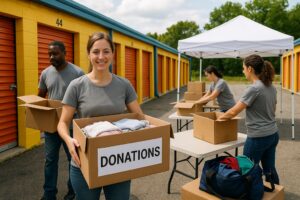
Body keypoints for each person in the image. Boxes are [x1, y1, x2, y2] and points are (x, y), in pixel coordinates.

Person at [57, 32, 143, 200]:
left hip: (118, 159)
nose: (101, 56)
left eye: (106, 51)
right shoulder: (77, 86)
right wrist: (69, 141)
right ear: (89, 55)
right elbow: (62, 122)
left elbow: (140, 117)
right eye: (96, 52)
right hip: (85, 160)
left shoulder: (124, 85)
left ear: (112, 54)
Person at [218, 54, 279, 184]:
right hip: (272, 134)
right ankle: (276, 193)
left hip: (258, 137)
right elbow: (272, 111)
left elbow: (234, 111)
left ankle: (249, 194)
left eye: (243, 68)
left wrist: (217, 119)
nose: (243, 71)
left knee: (246, 170)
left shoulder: (254, 88)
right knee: (269, 169)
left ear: (250, 69)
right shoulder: (271, 87)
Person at [38, 41, 85, 200]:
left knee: (74, 160)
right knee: (50, 161)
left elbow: (84, 100)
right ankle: (49, 194)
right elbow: (41, 96)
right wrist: (36, 114)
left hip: (71, 127)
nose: (52, 57)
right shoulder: (45, 73)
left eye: (55, 53)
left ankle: (72, 193)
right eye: (49, 54)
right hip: (51, 127)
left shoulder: (78, 73)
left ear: (65, 53)